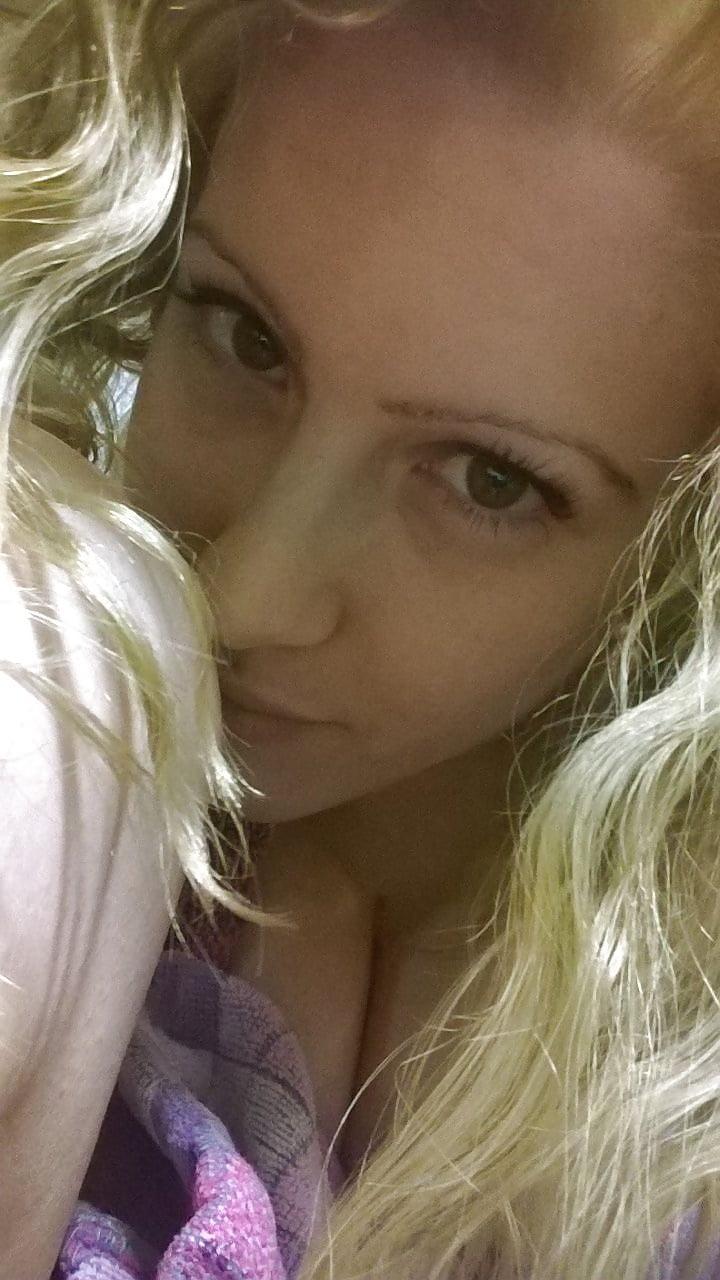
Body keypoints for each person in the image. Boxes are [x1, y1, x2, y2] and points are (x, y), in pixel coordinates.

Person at [3, 0, 720, 1276]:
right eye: (245, 337)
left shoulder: (677, 1133)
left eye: (490, 480)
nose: (244, 594)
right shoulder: (49, 676)